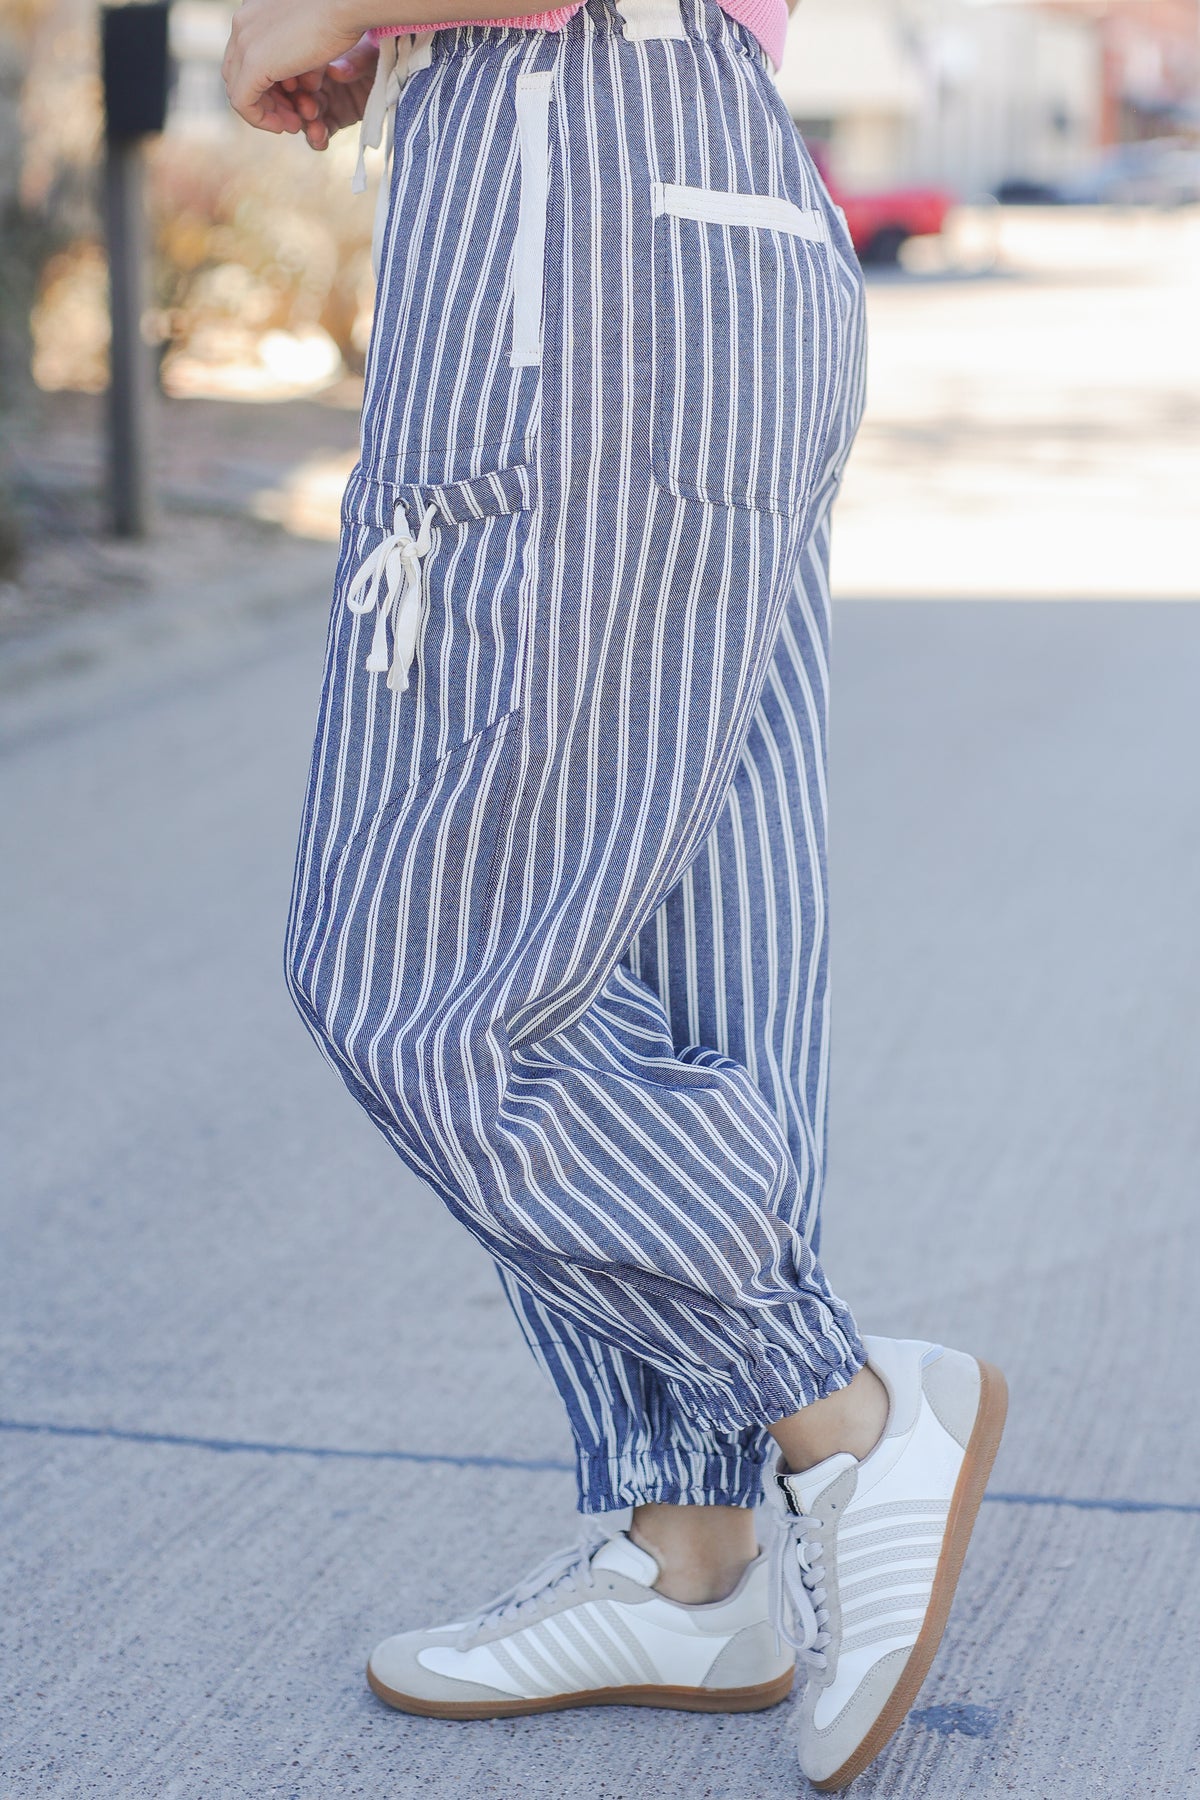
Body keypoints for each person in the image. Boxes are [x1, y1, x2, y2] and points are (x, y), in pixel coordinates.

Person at [222, 0, 1007, 1785]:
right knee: (679, 937)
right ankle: (697, 1556)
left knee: (417, 972)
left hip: (584, 252)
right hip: (675, 227)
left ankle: (842, 1416)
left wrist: (302, 18)